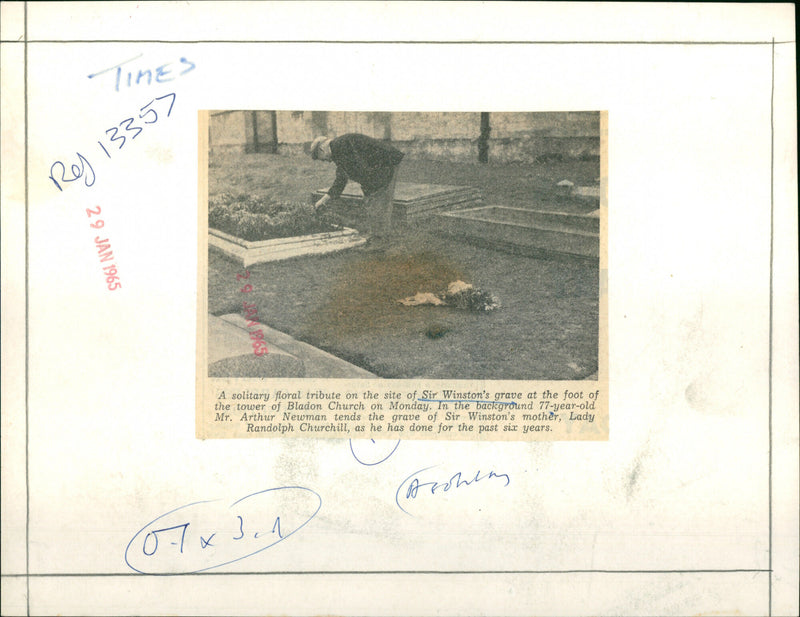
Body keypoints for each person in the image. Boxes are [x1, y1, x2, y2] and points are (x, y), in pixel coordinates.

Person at [310, 133, 405, 245]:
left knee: (378, 200)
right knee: (372, 200)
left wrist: (369, 190)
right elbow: (341, 179)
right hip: (379, 165)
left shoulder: (342, 146)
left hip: (386, 163)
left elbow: (361, 169)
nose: (327, 161)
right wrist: (322, 201)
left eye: (323, 159)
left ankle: (380, 242)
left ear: (322, 149)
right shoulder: (338, 149)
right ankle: (375, 236)